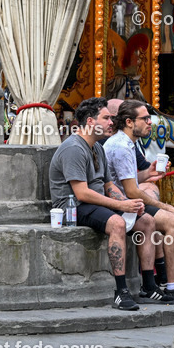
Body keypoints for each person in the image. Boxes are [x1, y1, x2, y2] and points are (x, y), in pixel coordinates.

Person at [48, 96, 149, 311]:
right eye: (106, 118)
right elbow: (82, 193)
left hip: (94, 203)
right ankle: (121, 292)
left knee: (146, 222)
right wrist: (121, 208)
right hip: (72, 207)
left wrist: (127, 202)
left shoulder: (97, 147)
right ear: (91, 122)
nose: (112, 122)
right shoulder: (74, 148)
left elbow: (108, 185)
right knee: (117, 224)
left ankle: (149, 285)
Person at [104, 100, 174, 303]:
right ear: (129, 122)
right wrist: (163, 205)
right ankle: (173, 284)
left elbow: (130, 181)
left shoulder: (127, 143)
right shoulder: (121, 146)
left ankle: (173, 281)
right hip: (120, 204)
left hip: (127, 199)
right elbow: (131, 191)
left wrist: (147, 173)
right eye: (145, 119)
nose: (150, 122)